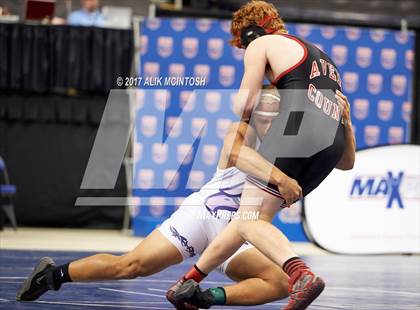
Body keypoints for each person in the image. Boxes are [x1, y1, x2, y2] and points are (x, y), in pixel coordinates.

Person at [17, 86, 296, 309]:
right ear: (252, 116)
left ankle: (203, 298)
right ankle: (52, 276)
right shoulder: (242, 131)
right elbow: (236, 155)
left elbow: (343, 162)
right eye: (263, 117)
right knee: (131, 265)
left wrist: (343, 125)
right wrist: (282, 179)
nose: (269, 124)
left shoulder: (295, 146)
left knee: (281, 282)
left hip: (241, 228)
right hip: (203, 215)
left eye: (275, 118)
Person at [168, 1, 356, 309]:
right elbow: (347, 164)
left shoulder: (262, 44)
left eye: (242, 47)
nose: (245, 53)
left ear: (250, 34)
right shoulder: (320, 57)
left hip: (298, 125)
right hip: (333, 140)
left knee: (251, 219)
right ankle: (189, 280)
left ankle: (301, 274)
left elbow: (243, 104)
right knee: (248, 219)